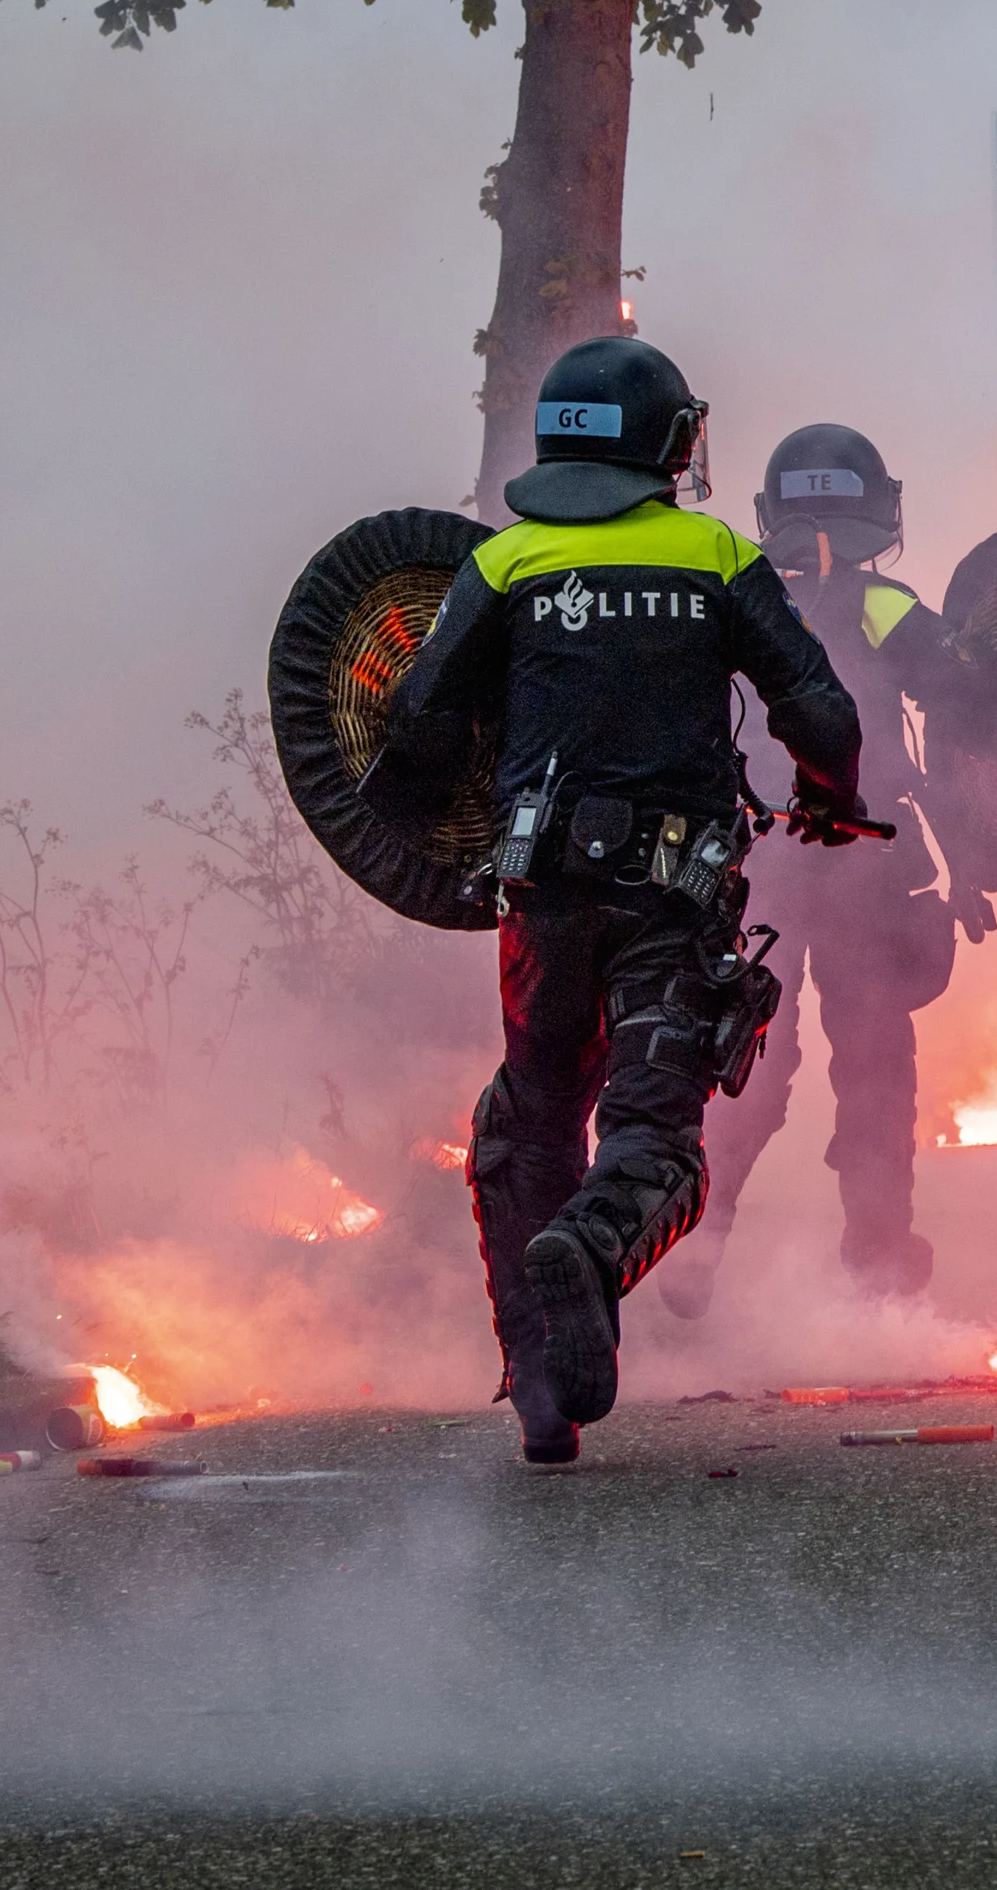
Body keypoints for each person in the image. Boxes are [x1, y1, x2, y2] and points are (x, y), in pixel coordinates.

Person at [371, 337, 868, 1462]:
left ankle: (540, 1384)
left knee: (529, 1116)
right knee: (655, 1136)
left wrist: (436, 824)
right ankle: (594, 1248)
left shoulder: (506, 562)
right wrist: (834, 799)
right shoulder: (713, 553)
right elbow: (821, 714)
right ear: (667, 441)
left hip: (538, 901)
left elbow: (415, 724)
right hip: (672, 899)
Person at [665, 423, 986, 1310]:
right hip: (865, 859)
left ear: (774, 511)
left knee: (747, 1058)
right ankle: (880, 1263)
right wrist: (972, 859)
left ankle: (695, 1245)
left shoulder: (735, 599)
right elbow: (968, 708)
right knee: (876, 1067)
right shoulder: (888, 610)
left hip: (757, 857)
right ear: (875, 509)